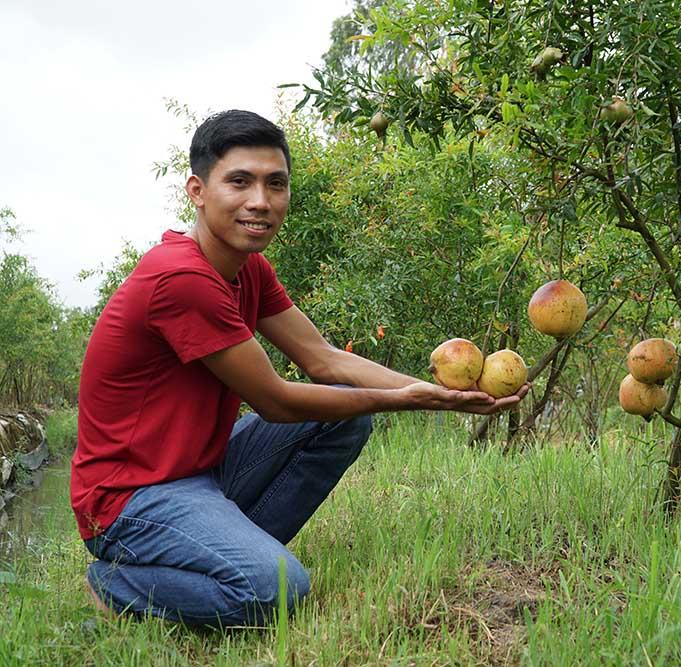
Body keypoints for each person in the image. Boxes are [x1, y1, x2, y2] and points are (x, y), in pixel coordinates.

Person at [71, 109, 527, 627]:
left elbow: (322, 359)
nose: (260, 201)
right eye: (239, 182)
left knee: (345, 415)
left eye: (276, 184)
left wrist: (437, 389)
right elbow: (277, 400)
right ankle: (116, 583)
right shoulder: (181, 279)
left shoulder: (249, 269)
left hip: (200, 472)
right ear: (197, 190)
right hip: (129, 500)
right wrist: (410, 400)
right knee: (273, 591)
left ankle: (232, 547)